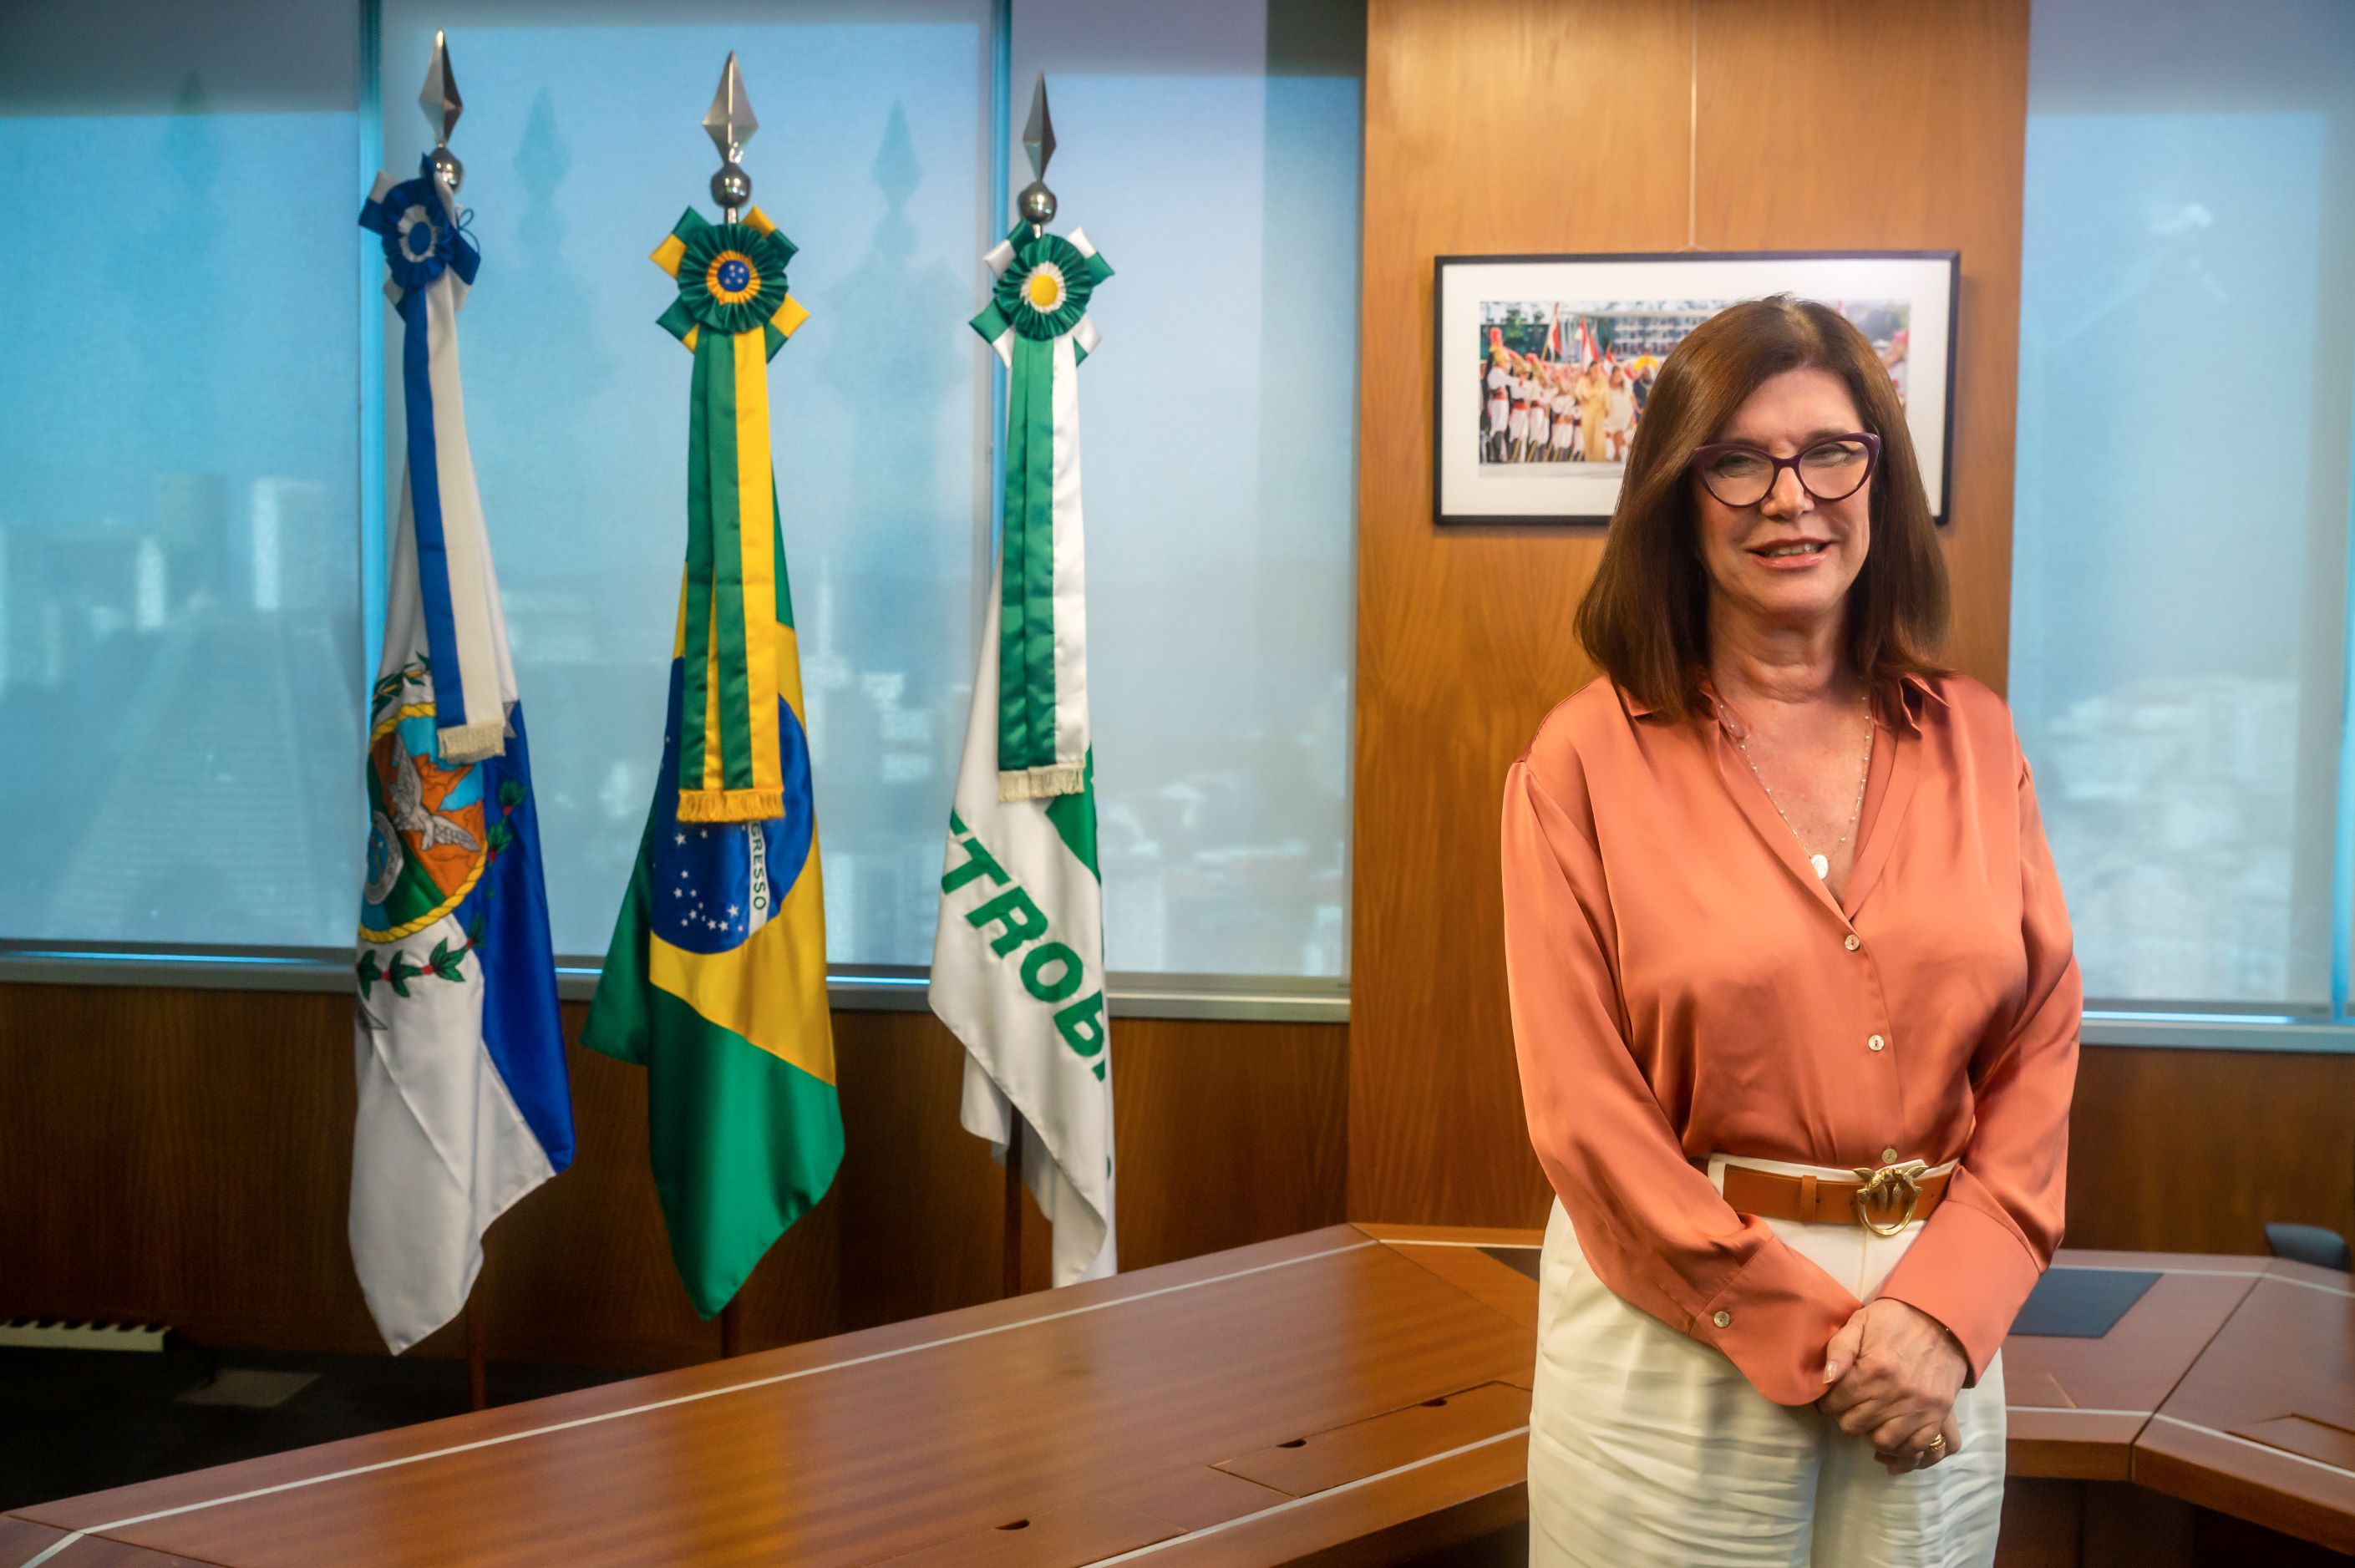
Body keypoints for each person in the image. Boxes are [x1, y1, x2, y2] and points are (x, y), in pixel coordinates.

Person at [1501, 295, 2078, 1566]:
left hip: (1936, 1341)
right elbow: (1584, 1115)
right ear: (1677, 492)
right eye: (1737, 461)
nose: (1790, 497)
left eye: (1830, 451)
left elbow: (2039, 1046)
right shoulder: (1582, 761)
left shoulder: (1975, 740)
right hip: (1676, 1345)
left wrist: (1944, 1310)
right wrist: (1796, 1322)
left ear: (1879, 474)